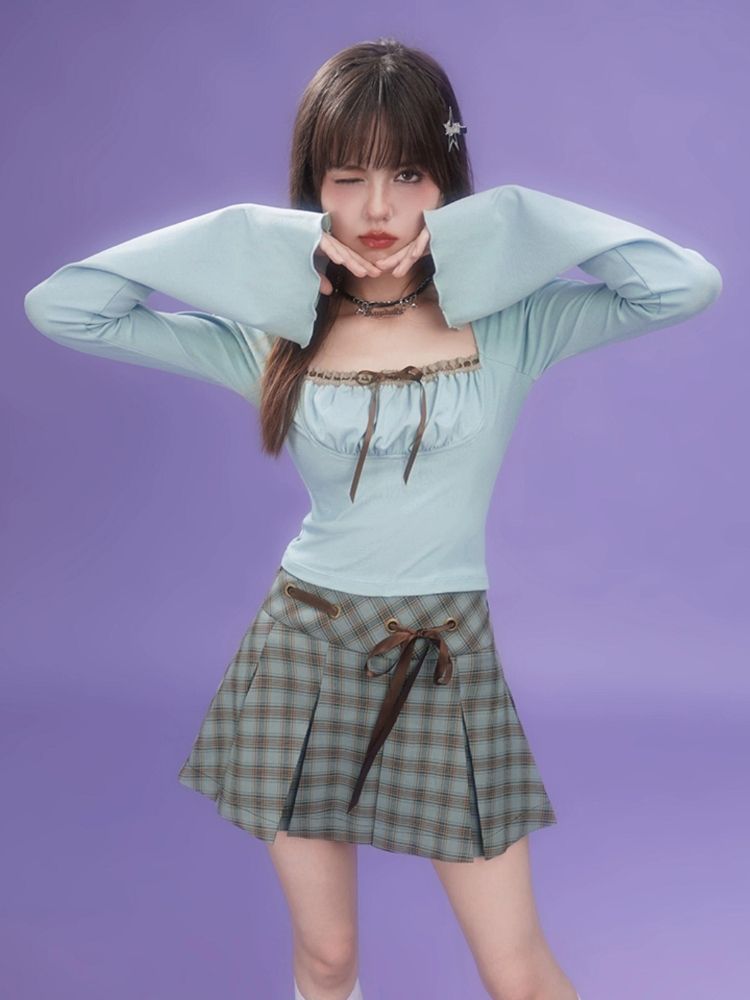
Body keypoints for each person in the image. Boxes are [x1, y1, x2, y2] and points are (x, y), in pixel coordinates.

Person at [23, 35, 721, 1000]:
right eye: (348, 179)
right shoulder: (275, 336)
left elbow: (684, 284)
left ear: (448, 182)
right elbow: (67, 306)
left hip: (441, 654)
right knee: (329, 957)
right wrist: (264, 247)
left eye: (408, 175)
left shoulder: (513, 324)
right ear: (314, 190)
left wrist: (498, 226)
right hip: (303, 650)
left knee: (517, 972)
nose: (380, 210)